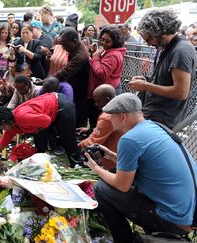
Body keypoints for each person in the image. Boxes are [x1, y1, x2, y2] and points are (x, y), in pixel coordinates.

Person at [85, 93, 196, 243]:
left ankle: (124, 239)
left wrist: (96, 168)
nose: (110, 120)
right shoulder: (155, 127)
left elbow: (122, 185)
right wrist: (111, 155)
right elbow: (141, 164)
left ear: (123, 117)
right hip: (188, 215)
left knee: (100, 189)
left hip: (171, 220)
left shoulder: (129, 139)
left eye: (111, 116)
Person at [128, 9, 197, 129]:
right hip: (152, 115)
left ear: (161, 32)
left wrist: (145, 86)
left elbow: (181, 92)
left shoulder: (181, 50)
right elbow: (165, 80)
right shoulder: (164, 46)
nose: (148, 44)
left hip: (162, 121)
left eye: (149, 39)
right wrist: (147, 80)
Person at [0, 92, 79, 164]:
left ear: (6, 121)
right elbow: (3, 143)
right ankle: (41, 168)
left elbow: (46, 120)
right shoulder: (11, 126)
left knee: (68, 139)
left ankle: (77, 165)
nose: (2, 129)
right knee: (39, 145)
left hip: (61, 105)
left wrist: (37, 130)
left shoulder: (22, 117)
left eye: (2, 126)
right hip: (47, 114)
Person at [87, 25, 126, 128]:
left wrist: (95, 58)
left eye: (107, 41)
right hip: (103, 91)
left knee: (101, 124)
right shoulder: (108, 51)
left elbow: (101, 73)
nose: (103, 43)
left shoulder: (113, 55)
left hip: (106, 94)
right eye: (102, 39)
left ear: (115, 42)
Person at [78, 84, 123, 170]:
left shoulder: (108, 116)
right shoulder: (120, 107)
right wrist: (91, 130)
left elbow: (93, 142)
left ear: (107, 100)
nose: (95, 104)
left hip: (114, 163)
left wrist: (77, 145)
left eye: (98, 101)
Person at [53, 27, 90, 128]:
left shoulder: (80, 56)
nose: (63, 48)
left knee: (77, 120)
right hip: (75, 86)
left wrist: (48, 80)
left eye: (65, 44)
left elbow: (64, 73)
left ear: (74, 41)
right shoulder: (76, 45)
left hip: (81, 91)